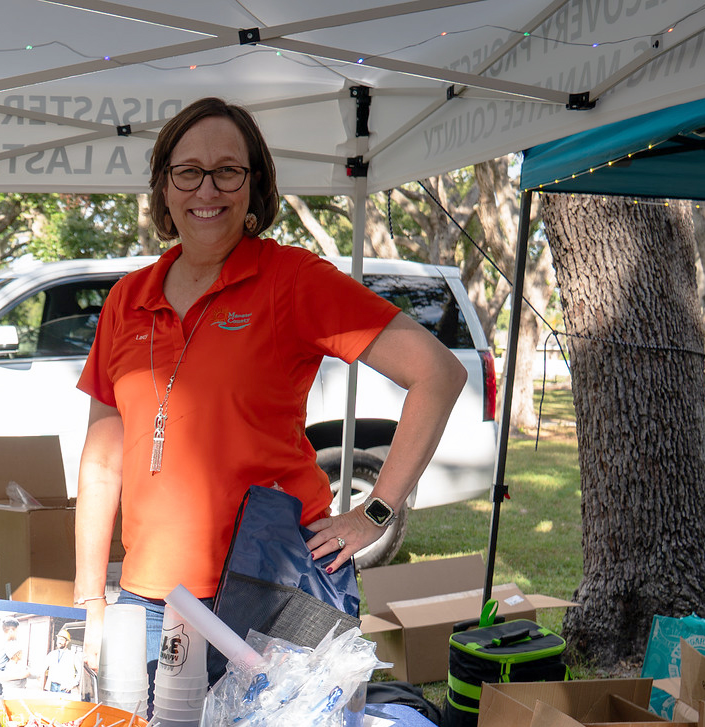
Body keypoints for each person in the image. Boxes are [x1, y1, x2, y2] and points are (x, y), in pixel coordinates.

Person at [70, 97, 467, 668]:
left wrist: (375, 511)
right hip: (150, 601)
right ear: (163, 187)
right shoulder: (128, 300)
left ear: (253, 187)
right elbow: (102, 463)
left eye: (228, 171)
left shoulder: (293, 281)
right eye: (188, 172)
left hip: (272, 590)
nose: (207, 190)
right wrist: (90, 599)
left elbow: (438, 372)